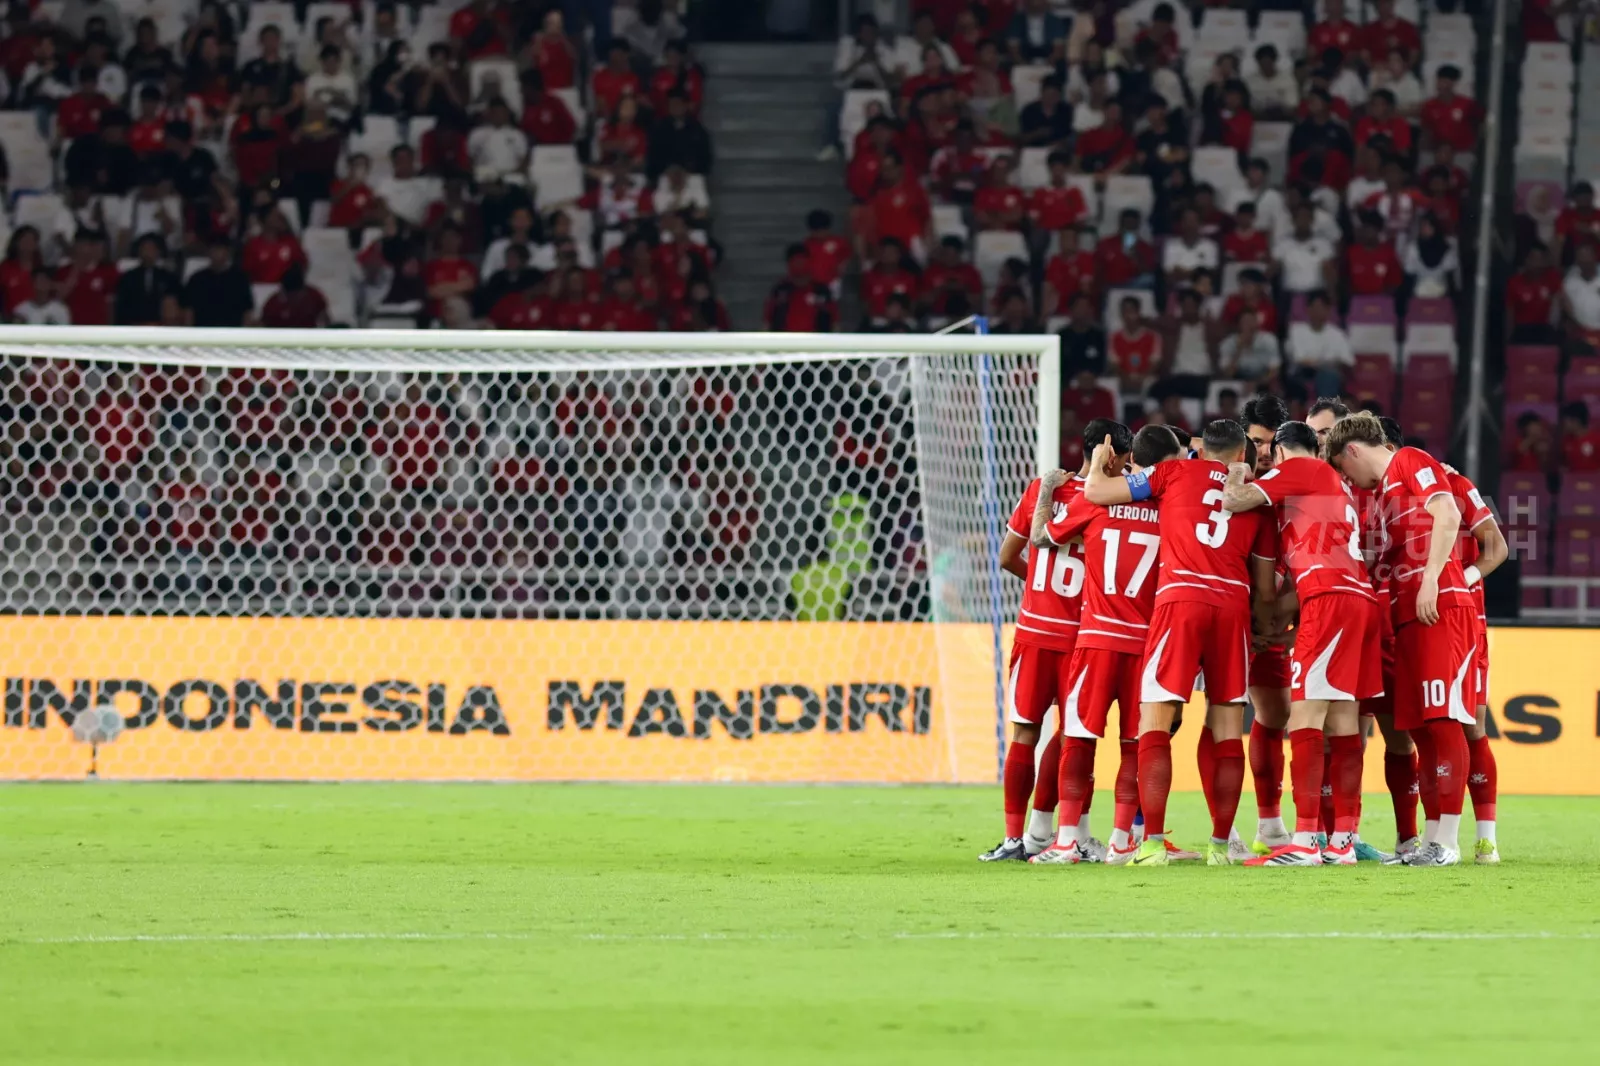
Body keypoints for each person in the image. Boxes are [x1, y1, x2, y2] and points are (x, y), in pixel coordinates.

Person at [1081, 419, 1278, 866]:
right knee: (1227, 728)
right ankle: (1220, 845)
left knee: (1155, 722)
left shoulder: (1173, 473)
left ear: (1202, 450)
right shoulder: (1258, 499)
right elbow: (1265, 590)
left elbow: (1096, 492)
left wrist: (1097, 464)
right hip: (1231, 608)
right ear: (1242, 456)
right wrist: (1264, 629)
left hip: (1180, 601)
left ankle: (1150, 843)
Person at [1221, 420, 1382, 865]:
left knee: (1306, 719)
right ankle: (1342, 843)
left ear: (1283, 450)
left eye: (1271, 454)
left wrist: (1238, 468)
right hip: (1356, 599)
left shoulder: (1303, 470)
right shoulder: (1334, 486)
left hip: (1329, 598)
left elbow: (1234, 500)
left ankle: (1307, 840)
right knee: (1343, 722)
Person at [1323, 412, 1476, 866]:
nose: (1348, 479)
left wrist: (1431, 578)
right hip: (1408, 616)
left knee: (1443, 721)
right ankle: (1431, 840)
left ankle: (1447, 842)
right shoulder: (1386, 492)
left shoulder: (1408, 459)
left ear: (1352, 451)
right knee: (1421, 732)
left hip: (1439, 607)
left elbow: (1447, 512)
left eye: (1344, 468)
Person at [1030, 422, 1183, 864]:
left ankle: (1063, 842)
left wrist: (1048, 490)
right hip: (1147, 644)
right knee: (1135, 745)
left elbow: (1043, 538)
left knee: (1077, 739)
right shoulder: (1172, 508)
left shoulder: (1094, 500)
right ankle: (1121, 841)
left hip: (1096, 639)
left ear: (1129, 460)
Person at [978, 418, 1114, 863]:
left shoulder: (1045, 489)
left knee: (1024, 732)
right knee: (1076, 735)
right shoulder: (1107, 501)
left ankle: (1016, 837)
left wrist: (1039, 584)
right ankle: (1062, 832)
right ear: (1109, 453)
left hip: (1035, 629)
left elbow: (1006, 557)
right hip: (1083, 637)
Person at [1235, 395, 1295, 858]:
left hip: (1269, 619)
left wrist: (1278, 621)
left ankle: (1271, 827)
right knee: (1215, 717)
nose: (1263, 452)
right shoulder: (1221, 481)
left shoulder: (1287, 485)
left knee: (1274, 716)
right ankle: (1222, 830)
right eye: (1255, 442)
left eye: (1271, 444)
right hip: (1222, 617)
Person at [1443, 459, 1509, 864]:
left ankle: (1486, 838)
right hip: (1405, 616)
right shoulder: (1370, 491)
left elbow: (1497, 547)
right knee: (1426, 729)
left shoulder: (1453, 482)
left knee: (1472, 723)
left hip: (1465, 618)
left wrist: (1463, 578)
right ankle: (1423, 837)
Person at [184, 237, 254, 327]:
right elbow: (189, 310)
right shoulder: (197, 279)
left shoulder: (240, 279)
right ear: (208, 252)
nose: (216, 253)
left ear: (228, 252)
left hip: (232, 332)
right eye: (213, 249)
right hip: (202, 332)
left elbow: (247, 310)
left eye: (220, 249)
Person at [113, 233, 179, 325]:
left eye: (152, 249)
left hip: (161, 328)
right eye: (145, 248)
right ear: (139, 251)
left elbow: (173, 306)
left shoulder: (169, 278)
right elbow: (121, 307)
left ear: (159, 251)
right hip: (133, 328)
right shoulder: (128, 278)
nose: (148, 252)